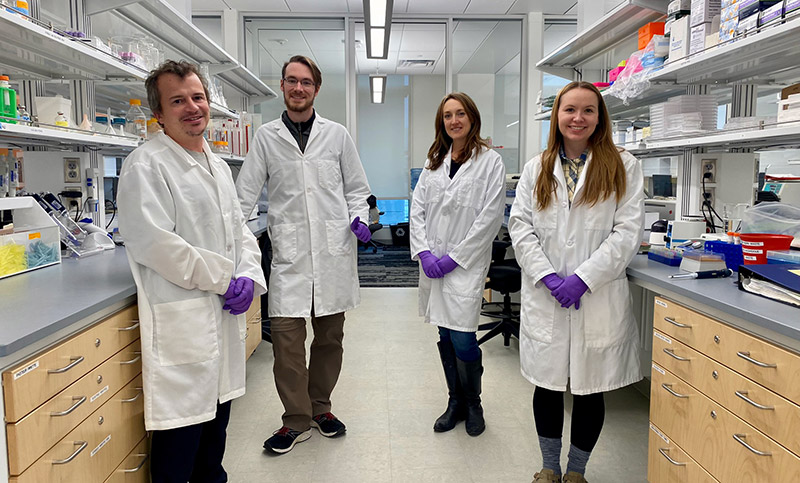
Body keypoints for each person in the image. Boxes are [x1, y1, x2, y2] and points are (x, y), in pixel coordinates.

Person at [117, 60, 267, 482]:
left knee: (215, 436)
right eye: (177, 100)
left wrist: (249, 276)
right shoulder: (147, 165)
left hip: (220, 321)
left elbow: (239, 229)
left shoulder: (217, 165)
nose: (192, 107)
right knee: (179, 445)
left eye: (197, 97)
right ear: (159, 114)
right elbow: (155, 243)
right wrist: (223, 278)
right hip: (183, 319)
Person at [508, 81, 645, 483]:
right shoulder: (538, 167)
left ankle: (576, 473)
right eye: (570, 109)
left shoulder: (623, 164)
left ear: (600, 117)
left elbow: (627, 232)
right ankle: (549, 468)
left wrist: (583, 279)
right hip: (547, 294)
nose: (578, 118)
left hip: (597, 295)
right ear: (557, 115)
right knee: (547, 385)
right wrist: (548, 276)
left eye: (588, 110)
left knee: (589, 387)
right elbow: (521, 227)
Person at [236, 55, 372, 454]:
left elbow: (357, 189)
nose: (299, 88)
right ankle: (295, 419)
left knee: (330, 340)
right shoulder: (265, 137)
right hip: (289, 260)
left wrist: (359, 216)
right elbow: (242, 199)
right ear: (282, 86)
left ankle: (321, 408)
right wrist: (235, 242)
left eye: (306, 82)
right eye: (292, 81)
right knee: (287, 344)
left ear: (316, 88)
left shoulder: (337, 135)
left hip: (332, 255)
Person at [409, 92, 506, 437]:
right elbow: (417, 207)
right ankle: (454, 402)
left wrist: (454, 258)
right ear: (442, 122)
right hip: (432, 263)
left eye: (460, 113)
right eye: (448, 115)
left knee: (463, 336)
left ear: (472, 118)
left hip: (464, 265)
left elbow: (490, 217)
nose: (454, 121)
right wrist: (423, 253)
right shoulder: (434, 160)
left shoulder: (490, 162)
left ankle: (473, 403)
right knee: (444, 333)